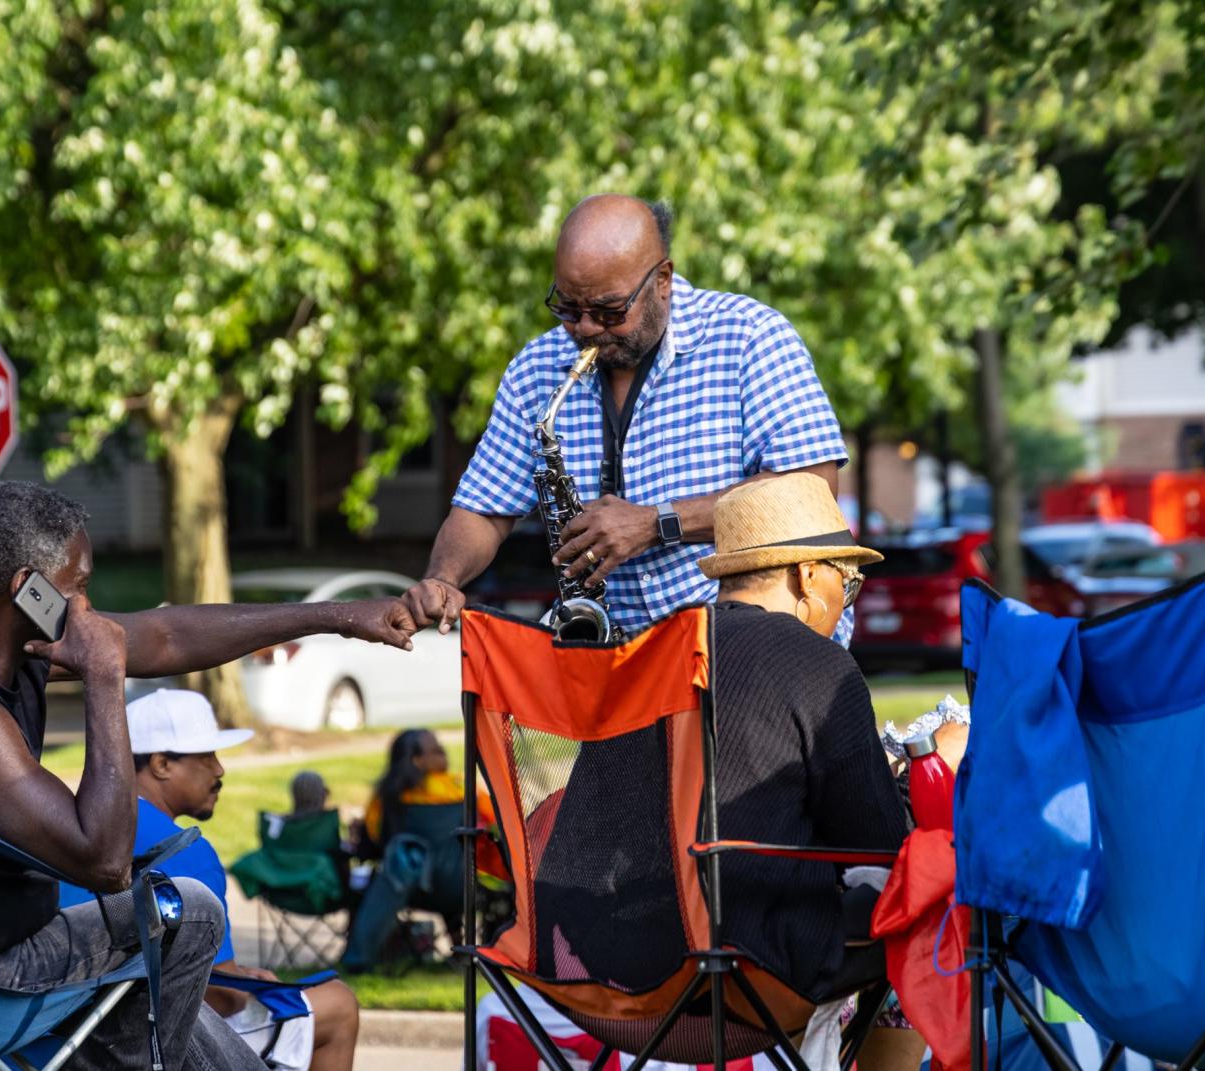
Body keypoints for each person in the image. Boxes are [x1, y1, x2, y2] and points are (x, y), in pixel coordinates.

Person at [0, 481, 414, 1069]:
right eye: (79, 588)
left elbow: (165, 636)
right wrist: (104, 676)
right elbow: (106, 861)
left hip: (16, 944)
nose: (88, 608)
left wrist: (336, 618)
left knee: (199, 992)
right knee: (186, 910)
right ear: (27, 589)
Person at [531, 473, 909, 1019]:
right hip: (746, 969)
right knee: (931, 909)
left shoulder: (644, 652)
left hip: (605, 970)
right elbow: (879, 848)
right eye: (846, 583)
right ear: (807, 577)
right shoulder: (821, 665)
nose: (844, 601)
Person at [401, 193, 856, 645]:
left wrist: (656, 523)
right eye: (567, 308)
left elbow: (810, 490)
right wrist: (443, 578)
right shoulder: (535, 368)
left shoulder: (752, 337)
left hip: (746, 644)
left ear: (662, 280)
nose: (585, 329)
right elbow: (482, 510)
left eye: (608, 311)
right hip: (614, 656)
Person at [107, 689, 358, 1071]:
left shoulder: (84, 825)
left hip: (77, 1031)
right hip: (153, 1044)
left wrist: (237, 976)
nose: (219, 770)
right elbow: (222, 998)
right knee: (337, 1004)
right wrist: (239, 983)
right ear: (160, 764)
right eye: (206, 756)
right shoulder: (183, 850)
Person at [340, 729, 497, 972]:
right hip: (463, 888)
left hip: (412, 889)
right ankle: (463, 952)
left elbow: (374, 839)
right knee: (452, 868)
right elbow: (496, 822)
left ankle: (367, 955)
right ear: (417, 760)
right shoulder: (464, 788)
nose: (443, 753)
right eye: (435, 750)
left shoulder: (388, 798)